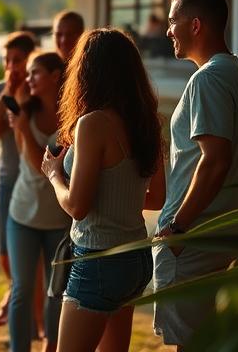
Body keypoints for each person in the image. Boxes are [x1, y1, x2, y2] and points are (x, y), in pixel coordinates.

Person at [41, 29, 167, 352]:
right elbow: (156, 198)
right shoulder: (146, 122)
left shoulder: (93, 124)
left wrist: (55, 175)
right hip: (135, 258)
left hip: (98, 258)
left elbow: (77, 207)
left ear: (88, 71)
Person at [153, 0, 238, 349]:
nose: (167, 31)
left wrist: (178, 228)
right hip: (216, 233)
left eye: (173, 21)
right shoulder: (237, 72)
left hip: (195, 236)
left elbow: (215, 161)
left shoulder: (209, 78)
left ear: (195, 25)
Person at [5, 51, 70, 352]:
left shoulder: (73, 117)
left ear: (56, 76)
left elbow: (43, 167)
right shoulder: (24, 111)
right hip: (22, 215)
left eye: (36, 73)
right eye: (28, 74)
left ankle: (51, 347)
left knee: (55, 291)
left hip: (58, 219)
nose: (29, 78)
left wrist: (21, 129)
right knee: (21, 290)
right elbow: (33, 165)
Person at [0, 31, 39, 328]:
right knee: (4, 253)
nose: (11, 66)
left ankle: (35, 320)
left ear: (30, 58)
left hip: (35, 181)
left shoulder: (38, 89)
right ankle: (15, 291)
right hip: (7, 180)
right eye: (7, 60)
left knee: (35, 257)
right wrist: (5, 98)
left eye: (17, 60)